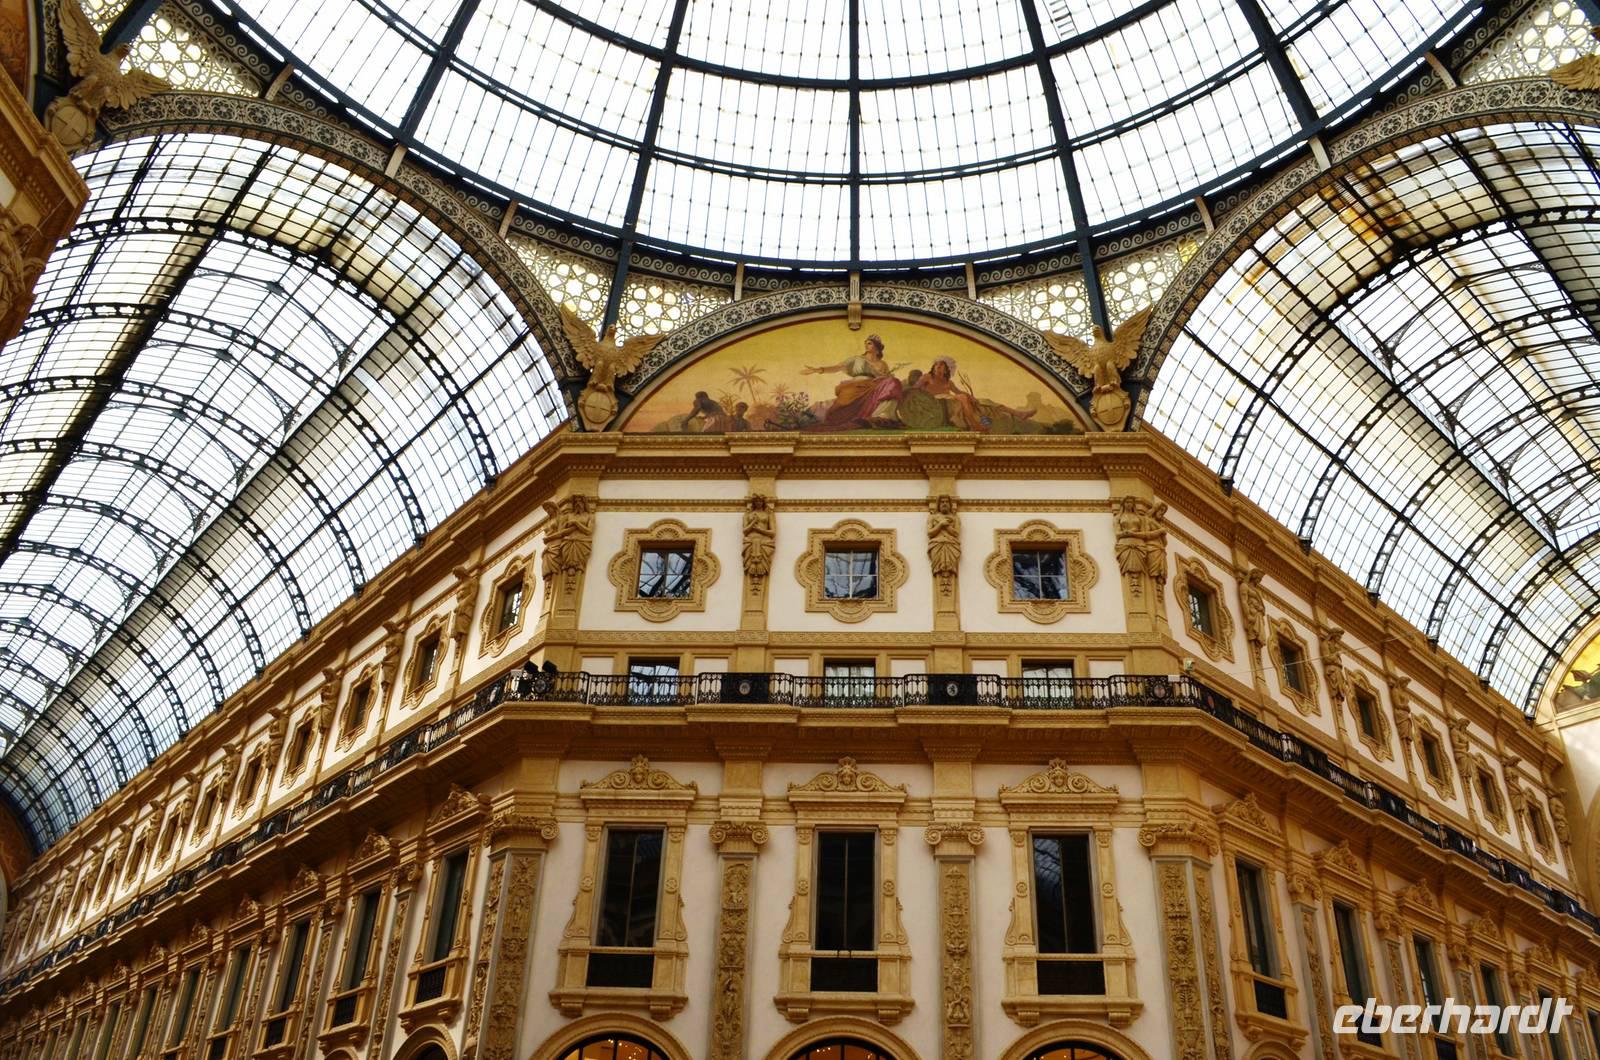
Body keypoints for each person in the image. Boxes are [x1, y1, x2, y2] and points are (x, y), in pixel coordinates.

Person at [802, 334, 907, 429]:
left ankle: (882, 417)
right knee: (838, 407)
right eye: (865, 343)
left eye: (869, 343)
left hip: (874, 388)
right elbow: (838, 367)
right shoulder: (857, 359)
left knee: (894, 382)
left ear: (877, 347)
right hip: (857, 386)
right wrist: (819, 370)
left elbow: (886, 380)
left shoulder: (882, 364)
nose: (866, 345)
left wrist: (885, 378)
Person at [912, 356, 988, 431]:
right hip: (934, 401)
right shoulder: (927, 377)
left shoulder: (948, 382)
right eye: (936, 364)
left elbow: (958, 391)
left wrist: (971, 397)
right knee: (963, 397)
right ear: (933, 367)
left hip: (948, 400)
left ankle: (975, 423)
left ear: (946, 370)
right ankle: (974, 425)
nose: (938, 366)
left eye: (941, 364)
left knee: (964, 397)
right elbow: (915, 388)